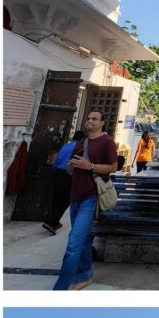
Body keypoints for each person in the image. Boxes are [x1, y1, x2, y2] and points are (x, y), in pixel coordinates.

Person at [53, 110, 117, 291]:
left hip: (91, 196)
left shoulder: (107, 142)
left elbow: (113, 166)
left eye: (94, 119)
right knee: (83, 238)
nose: (90, 121)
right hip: (75, 195)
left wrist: (91, 166)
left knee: (74, 243)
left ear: (102, 123)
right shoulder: (81, 143)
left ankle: (61, 287)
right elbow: (70, 170)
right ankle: (85, 275)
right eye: (88, 118)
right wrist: (72, 167)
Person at [42, 129, 85, 235]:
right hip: (68, 175)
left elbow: (56, 161)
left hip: (58, 173)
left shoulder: (66, 146)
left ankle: (51, 219)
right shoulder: (79, 148)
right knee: (66, 200)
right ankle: (52, 222)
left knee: (57, 198)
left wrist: (53, 171)